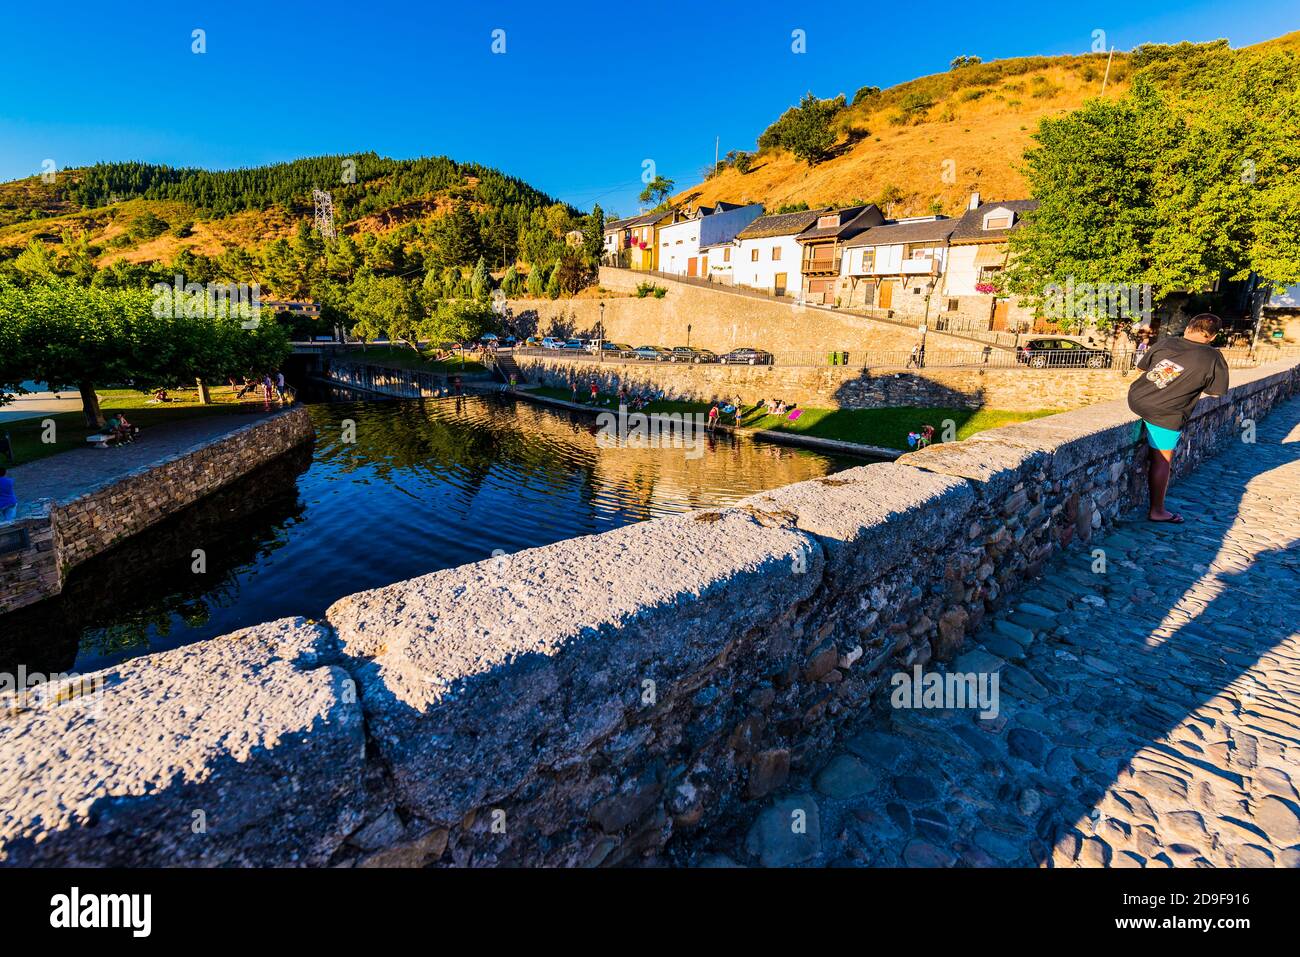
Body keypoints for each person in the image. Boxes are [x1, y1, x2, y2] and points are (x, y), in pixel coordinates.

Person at [1126, 314, 1229, 524]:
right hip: (1166, 413)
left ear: (1189, 327)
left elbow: (1140, 368)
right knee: (1162, 460)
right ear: (1212, 336)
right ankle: (1157, 510)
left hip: (1136, 399)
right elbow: (1217, 393)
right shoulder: (1213, 357)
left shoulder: (1167, 342)